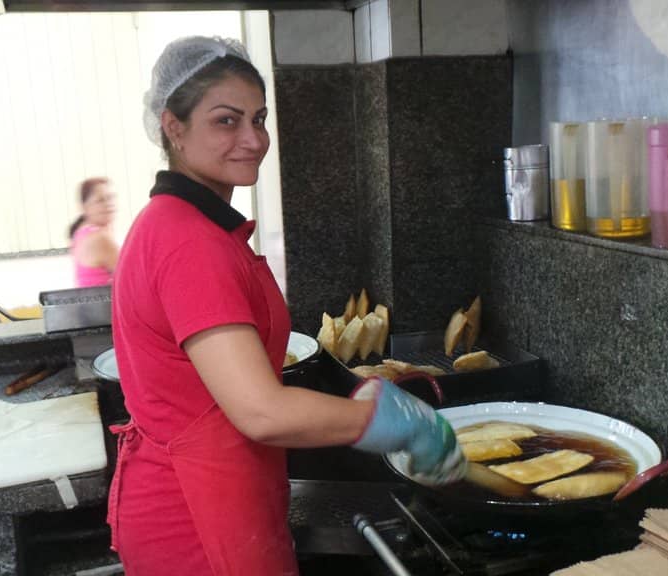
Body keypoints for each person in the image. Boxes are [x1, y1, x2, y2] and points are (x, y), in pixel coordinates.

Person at [108, 36, 466, 576]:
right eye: (226, 121)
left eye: (259, 118)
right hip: (196, 520)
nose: (253, 139)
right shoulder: (188, 243)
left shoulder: (188, 226)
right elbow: (260, 410)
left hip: (222, 489)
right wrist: (389, 422)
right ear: (173, 127)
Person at [69, 177, 119, 287]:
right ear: (84, 207)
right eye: (100, 200)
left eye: (111, 198)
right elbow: (132, 276)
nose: (108, 204)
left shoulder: (81, 233)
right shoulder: (99, 238)